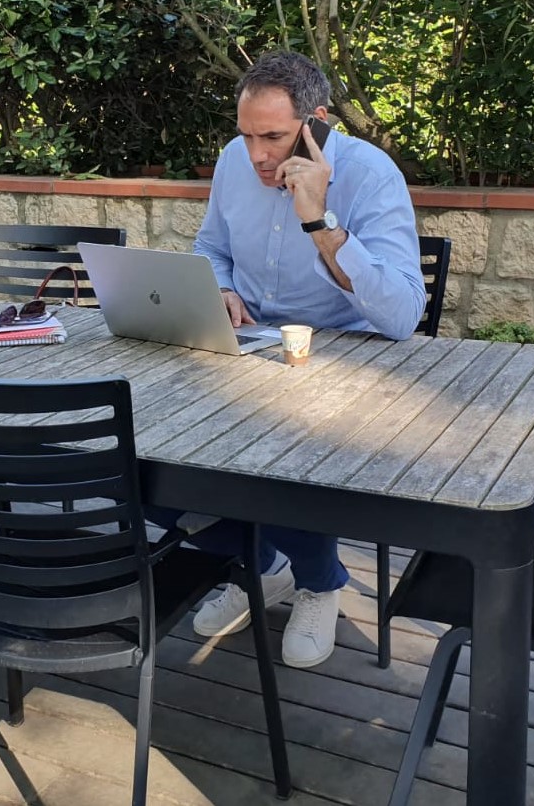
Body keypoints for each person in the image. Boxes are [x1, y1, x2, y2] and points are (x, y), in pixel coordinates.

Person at [160, 50, 426, 669]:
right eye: (246, 134)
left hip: (343, 362)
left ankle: (318, 583)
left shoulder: (372, 174)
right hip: (246, 350)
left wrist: (320, 219)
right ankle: (264, 565)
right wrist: (219, 286)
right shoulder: (235, 161)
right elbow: (210, 247)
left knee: (288, 447)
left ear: (318, 124)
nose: (256, 155)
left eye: (274, 137)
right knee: (147, 452)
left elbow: (401, 316)